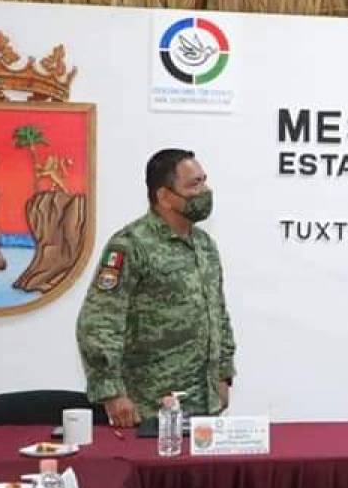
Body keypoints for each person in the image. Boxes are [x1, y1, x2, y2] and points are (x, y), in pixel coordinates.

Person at [76, 149, 235, 427]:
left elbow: (218, 313)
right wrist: (112, 393)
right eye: (193, 184)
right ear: (164, 196)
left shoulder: (204, 245)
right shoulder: (130, 245)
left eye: (204, 181)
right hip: (150, 407)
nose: (204, 191)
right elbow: (99, 322)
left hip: (204, 406)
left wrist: (223, 374)